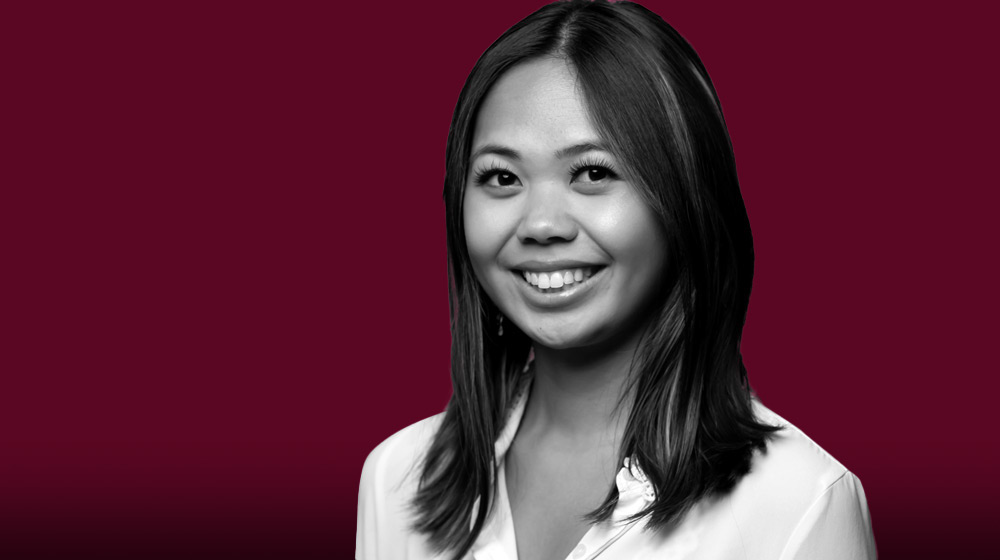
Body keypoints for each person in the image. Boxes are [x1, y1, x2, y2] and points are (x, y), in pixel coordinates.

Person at [357, 1, 877, 558]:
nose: (541, 225)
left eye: (594, 173)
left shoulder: (799, 502)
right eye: (502, 177)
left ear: (685, 200)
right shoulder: (398, 479)